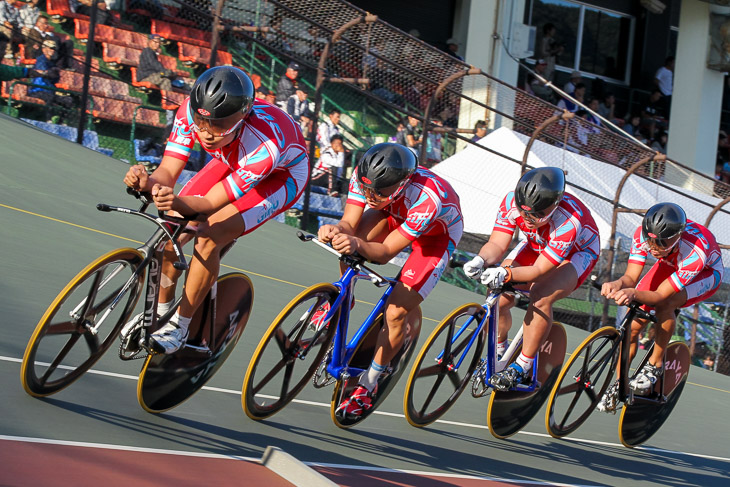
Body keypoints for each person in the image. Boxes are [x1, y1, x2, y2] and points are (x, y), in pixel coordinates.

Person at [121, 66, 310, 354]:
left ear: (241, 119)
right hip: (233, 157)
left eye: (219, 126)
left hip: (280, 176)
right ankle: (160, 314)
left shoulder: (264, 146)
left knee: (210, 233)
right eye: (201, 122)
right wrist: (147, 181)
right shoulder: (191, 111)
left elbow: (209, 204)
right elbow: (167, 172)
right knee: (172, 229)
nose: (207, 134)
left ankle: (180, 326)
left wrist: (178, 204)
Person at [318, 143, 463, 418]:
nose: (370, 196)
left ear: (401, 184)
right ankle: (343, 300)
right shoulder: (365, 177)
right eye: (366, 190)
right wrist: (336, 230)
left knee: (395, 313)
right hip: (395, 214)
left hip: (435, 238)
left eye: (378, 192)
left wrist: (355, 243)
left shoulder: (427, 197)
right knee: (348, 242)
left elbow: (384, 254)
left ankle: (369, 383)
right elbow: (349, 224)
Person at [463, 167, 600, 391]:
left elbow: (537, 271)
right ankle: (499, 352)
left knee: (541, 295)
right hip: (539, 243)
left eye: (536, 215)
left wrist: (506, 273)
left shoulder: (568, 221)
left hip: (577, 253)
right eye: (524, 212)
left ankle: (522, 366)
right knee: (499, 293)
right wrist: (480, 260)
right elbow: (497, 244)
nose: (527, 219)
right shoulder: (510, 202)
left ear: (554, 207)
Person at [597, 203, 723, 412]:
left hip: (706, 273)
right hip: (670, 263)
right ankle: (620, 384)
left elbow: (659, 296)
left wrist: (633, 293)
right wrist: (617, 284)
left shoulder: (694, 251)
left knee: (666, 304)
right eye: (651, 241)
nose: (654, 247)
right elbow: (630, 277)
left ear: (677, 237)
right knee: (633, 325)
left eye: (662, 243)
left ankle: (654, 365)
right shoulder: (642, 235)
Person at [30, 39, 74, 122]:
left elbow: (54, 79)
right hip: (37, 90)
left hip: (49, 91)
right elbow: (44, 73)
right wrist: (52, 72)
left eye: (53, 48)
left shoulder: (52, 63)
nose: (52, 50)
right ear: (43, 49)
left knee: (68, 100)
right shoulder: (41, 60)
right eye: (50, 48)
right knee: (49, 97)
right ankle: (48, 120)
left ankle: (61, 122)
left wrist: (54, 73)